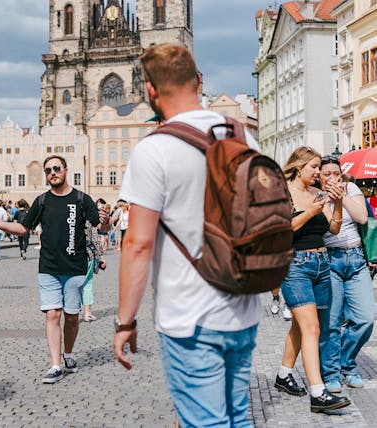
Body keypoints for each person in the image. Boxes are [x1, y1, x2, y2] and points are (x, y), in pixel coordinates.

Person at [113, 43, 265, 426]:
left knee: (207, 423)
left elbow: (139, 243)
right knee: (237, 417)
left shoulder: (156, 149)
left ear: (150, 89)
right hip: (242, 306)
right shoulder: (241, 136)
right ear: (196, 81)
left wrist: (126, 322)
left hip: (189, 315)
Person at [0, 155, 110, 383]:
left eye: (56, 168)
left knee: (72, 317)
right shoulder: (42, 201)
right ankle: (55, 364)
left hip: (75, 268)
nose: (52, 172)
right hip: (49, 268)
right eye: (48, 170)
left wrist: (106, 221)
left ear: (65, 170)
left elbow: (100, 226)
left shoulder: (82, 199)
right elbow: (24, 228)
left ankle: (69, 354)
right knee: (53, 315)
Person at [272, 147, 350, 413]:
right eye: (314, 167)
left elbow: (335, 228)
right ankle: (318, 392)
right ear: (298, 167)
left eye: (319, 167)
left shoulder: (318, 194)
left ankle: (283, 375)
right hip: (295, 266)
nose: (318, 172)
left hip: (322, 264)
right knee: (312, 329)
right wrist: (310, 212)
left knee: (300, 325)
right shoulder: (283, 192)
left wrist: (336, 202)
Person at [318, 156, 375, 393]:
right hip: (330, 260)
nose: (333, 178)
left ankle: (346, 362)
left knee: (365, 318)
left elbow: (362, 217)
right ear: (318, 176)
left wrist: (342, 196)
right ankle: (332, 372)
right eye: (327, 174)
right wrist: (329, 200)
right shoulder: (314, 195)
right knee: (330, 323)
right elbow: (325, 226)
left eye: (336, 174)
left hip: (356, 260)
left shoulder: (350, 188)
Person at [81, 220, 106, 322]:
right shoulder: (89, 219)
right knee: (87, 283)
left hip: (68, 255)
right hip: (86, 254)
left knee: (70, 283)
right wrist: (101, 256)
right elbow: (95, 239)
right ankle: (87, 313)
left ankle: (70, 312)